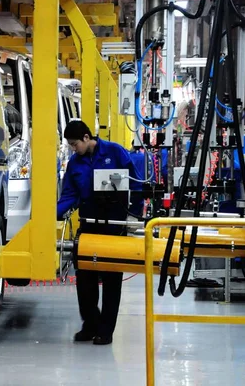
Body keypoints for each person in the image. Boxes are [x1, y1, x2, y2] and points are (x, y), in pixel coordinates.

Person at [57, 121, 141, 345]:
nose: (74, 149)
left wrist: (134, 216)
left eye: (75, 144)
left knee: (112, 280)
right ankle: (90, 324)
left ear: (86, 137)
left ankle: (106, 330)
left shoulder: (115, 152)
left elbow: (136, 184)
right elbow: (69, 195)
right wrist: (51, 215)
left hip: (114, 225)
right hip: (89, 225)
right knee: (84, 279)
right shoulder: (75, 163)